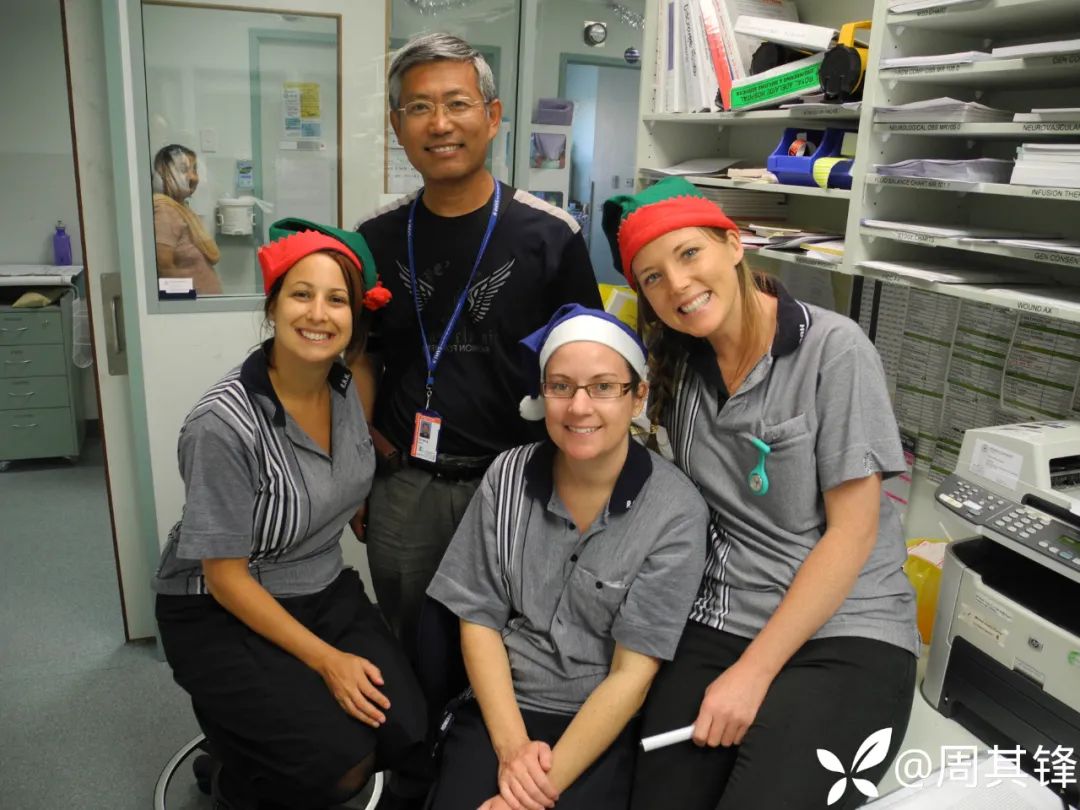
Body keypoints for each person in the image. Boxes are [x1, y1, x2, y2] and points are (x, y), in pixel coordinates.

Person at [599, 177, 919, 810]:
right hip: (724, 616)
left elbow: (853, 532)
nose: (678, 284)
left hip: (848, 627)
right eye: (653, 277)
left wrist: (752, 674)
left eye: (690, 254)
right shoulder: (678, 368)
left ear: (733, 244)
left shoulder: (833, 350)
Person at [350, 32, 602, 666]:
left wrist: (585, 481)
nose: (439, 124)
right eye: (418, 107)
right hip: (407, 484)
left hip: (520, 480)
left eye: (457, 103)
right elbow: (363, 359)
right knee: (410, 642)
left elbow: (590, 370)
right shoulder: (376, 238)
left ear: (491, 117)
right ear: (397, 126)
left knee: (518, 647)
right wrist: (358, 472)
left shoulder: (550, 235)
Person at [153, 217, 421, 810]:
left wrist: (356, 495)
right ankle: (236, 777)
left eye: (337, 300)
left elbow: (349, 456)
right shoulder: (222, 425)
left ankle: (256, 743)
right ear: (272, 306)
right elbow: (224, 577)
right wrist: (327, 661)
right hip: (219, 605)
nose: (318, 314)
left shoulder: (345, 387)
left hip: (319, 587)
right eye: (302, 294)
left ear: (355, 317)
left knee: (405, 728)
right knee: (338, 767)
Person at [425, 304, 708, 810]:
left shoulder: (675, 511)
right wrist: (512, 750)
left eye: (603, 387)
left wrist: (526, 796)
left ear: (638, 396)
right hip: (504, 707)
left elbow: (631, 674)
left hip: (601, 722)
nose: (579, 407)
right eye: (561, 386)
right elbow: (479, 619)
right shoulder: (507, 477)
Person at [152, 143, 223, 295]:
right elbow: (164, 267)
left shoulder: (180, 209)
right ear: (164, 174)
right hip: (189, 307)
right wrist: (187, 302)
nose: (193, 177)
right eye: (184, 170)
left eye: (194, 170)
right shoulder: (164, 210)